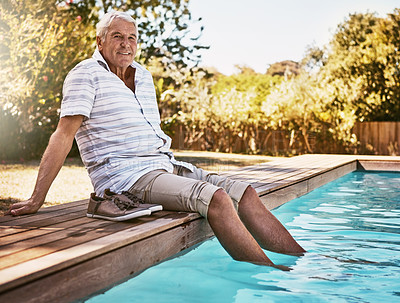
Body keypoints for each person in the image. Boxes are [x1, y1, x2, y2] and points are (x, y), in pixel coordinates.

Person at [6, 11, 305, 267]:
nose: (126, 44)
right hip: (126, 177)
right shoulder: (85, 75)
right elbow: (63, 135)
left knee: (247, 193)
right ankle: (272, 276)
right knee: (217, 199)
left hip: (164, 165)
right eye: (117, 36)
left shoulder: (144, 76)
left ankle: (302, 263)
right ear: (100, 41)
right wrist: (37, 198)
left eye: (132, 38)